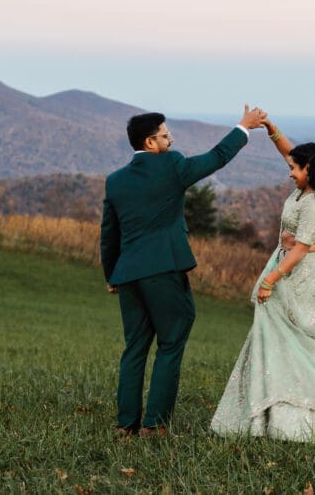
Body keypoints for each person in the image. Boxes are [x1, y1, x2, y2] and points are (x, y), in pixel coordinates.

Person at [101, 105, 266, 437]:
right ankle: (155, 425)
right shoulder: (172, 167)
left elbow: (109, 234)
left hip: (128, 274)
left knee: (134, 348)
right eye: (165, 135)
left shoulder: (115, 181)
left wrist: (111, 276)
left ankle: (126, 424)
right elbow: (216, 157)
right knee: (171, 341)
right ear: (150, 142)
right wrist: (244, 127)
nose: (170, 141)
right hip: (163, 270)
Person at [210, 120, 315, 441]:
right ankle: (268, 412)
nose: (289, 172)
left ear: (310, 171)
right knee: (278, 336)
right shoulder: (306, 187)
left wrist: (269, 280)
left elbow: (301, 248)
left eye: (295, 169)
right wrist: (271, 129)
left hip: (304, 278)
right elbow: (293, 156)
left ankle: (296, 416)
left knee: (297, 339)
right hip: (292, 269)